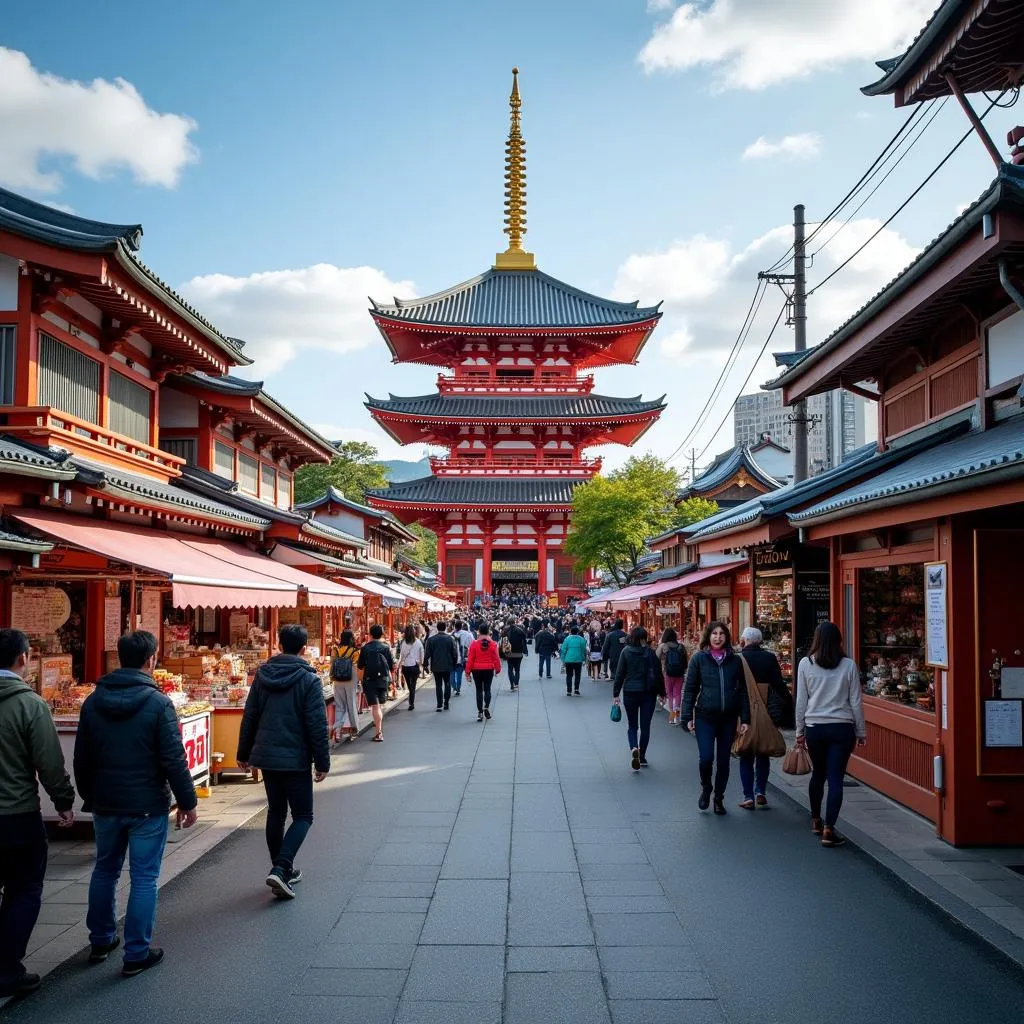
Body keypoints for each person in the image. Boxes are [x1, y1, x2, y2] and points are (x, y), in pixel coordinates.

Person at [75, 631, 198, 977]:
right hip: (146, 803)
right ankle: (136, 952)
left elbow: (81, 759)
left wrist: (90, 795)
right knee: (144, 877)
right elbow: (174, 758)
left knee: (105, 869)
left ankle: (101, 939)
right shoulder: (158, 704)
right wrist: (187, 802)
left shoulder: (93, 702)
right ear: (151, 660)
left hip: (106, 802)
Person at [0, 628, 75, 999]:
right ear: (24, 658)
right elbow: (48, 761)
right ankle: (7, 969)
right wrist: (63, 801)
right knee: (24, 888)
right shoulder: (29, 705)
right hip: (15, 814)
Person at [236, 624, 330, 900]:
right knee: (303, 815)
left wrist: (243, 753)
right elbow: (316, 724)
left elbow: (250, 716)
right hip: (295, 757)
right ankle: (281, 867)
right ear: (303, 649)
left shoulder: (263, 675)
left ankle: (281, 870)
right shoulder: (308, 680)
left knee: (276, 812)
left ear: (279, 644)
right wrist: (322, 761)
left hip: (267, 756)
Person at [795, 622, 866, 848]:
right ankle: (829, 829)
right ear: (839, 640)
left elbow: (801, 701)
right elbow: (855, 701)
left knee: (818, 774)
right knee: (836, 779)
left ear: (816, 640)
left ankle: (815, 820)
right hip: (842, 728)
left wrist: (799, 730)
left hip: (816, 727)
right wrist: (861, 730)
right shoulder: (848, 665)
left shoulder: (806, 664)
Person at [681, 621, 750, 815]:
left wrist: (745, 719)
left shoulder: (735, 661)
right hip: (705, 716)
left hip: (728, 718)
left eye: (721, 634)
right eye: (714, 634)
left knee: (723, 761)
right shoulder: (699, 659)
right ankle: (706, 787)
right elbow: (690, 690)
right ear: (708, 636)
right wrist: (686, 716)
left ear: (726, 637)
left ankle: (719, 797)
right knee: (706, 758)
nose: (718, 637)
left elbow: (743, 691)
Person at [736, 626, 790, 809]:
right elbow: (779, 685)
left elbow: (735, 687)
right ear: (759, 641)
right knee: (763, 752)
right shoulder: (769, 658)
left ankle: (748, 796)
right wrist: (785, 711)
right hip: (767, 711)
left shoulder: (739, 658)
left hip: (745, 712)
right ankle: (760, 791)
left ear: (744, 640)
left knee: (745, 752)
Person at [612, 626, 665, 771]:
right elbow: (658, 674)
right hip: (648, 693)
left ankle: (634, 747)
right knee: (645, 726)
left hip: (630, 691)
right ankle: (642, 756)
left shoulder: (626, 652)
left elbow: (620, 673)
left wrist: (616, 694)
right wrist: (662, 693)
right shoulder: (651, 653)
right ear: (644, 638)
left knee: (632, 725)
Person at [356, 624, 395, 741]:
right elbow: (392, 666)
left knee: (375, 706)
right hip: (383, 679)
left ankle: (378, 732)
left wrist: (360, 680)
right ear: (381, 634)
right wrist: (392, 681)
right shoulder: (386, 647)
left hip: (369, 679)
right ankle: (379, 728)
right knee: (379, 706)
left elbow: (360, 666)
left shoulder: (365, 648)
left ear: (370, 635)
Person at [465, 623, 502, 722]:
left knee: (479, 690)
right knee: (487, 689)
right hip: (489, 669)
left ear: (479, 632)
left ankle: (480, 712)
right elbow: (496, 658)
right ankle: (486, 707)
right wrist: (497, 669)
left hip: (476, 669)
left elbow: (470, 659)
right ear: (488, 631)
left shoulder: (474, 644)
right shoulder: (493, 644)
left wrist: (467, 672)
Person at [331, 629, 360, 743]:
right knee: (351, 704)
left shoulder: (335, 650)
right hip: (350, 677)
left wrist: (331, 678)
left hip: (337, 679)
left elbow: (332, 665)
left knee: (339, 705)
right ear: (351, 638)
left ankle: (337, 731)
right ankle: (354, 729)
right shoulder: (355, 651)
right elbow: (357, 667)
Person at [424, 620, 459, 712]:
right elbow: (455, 653)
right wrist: (454, 663)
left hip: (436, 665)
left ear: (437, 628)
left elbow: (427, 653)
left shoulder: (431, 640)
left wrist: (425, 664)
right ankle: (446, 702)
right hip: (448, 665)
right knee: (447, 683)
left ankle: (439, 704)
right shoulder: (450, 639)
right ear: (445, 628)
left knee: (438, 684)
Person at [396, 624, 424, 711]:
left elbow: (402, 654)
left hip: (406, 666)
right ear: (414, 632)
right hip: (415, 665)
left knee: (409, 684)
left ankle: (411, 700)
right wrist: (420, 662)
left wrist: (400, 662)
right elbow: (422, 653)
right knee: (413, 684)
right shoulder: (418, 642)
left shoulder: (403, 643)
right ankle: (411, 702)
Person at [559, 625, 588, 697]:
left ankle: (569, 690)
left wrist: (563, 660)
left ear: (570, 632)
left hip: (568, 659)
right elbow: (583, 650)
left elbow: (563, 650)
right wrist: (584, 659)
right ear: (577, 632)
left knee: (569, 675)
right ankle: (576, 689)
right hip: (578, 659)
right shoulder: (581, 639)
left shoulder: (567, 639)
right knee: (578, 675)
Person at [452, 619, 474, 697]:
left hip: (452, 659)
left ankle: (454, 687)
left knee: (452, 675)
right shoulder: (467, 634)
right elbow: (471, 644)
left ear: (454, 626)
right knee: (459, 675)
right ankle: (458, 689)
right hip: (462, 658)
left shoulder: (451, 634)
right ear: (461, 626)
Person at [503, 620, 527, 691]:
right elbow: (524, 641)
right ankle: (516, 683)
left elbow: (503, 641)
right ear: (514, 623)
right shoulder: (520, 630)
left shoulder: (505, 631)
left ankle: (512, 685)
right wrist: (525, 651)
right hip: (518, 653)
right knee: (517, 669)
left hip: (509, 653)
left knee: (510, 669)